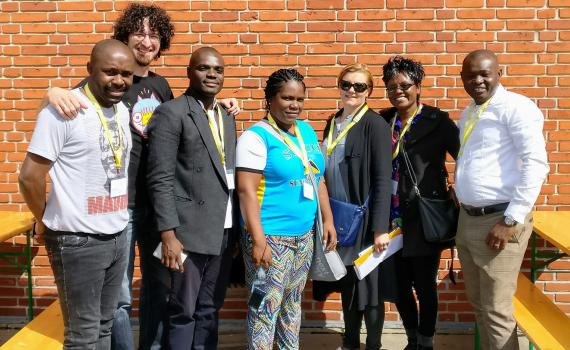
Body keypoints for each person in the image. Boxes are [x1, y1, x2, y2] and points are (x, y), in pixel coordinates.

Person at [42, 4, 239, 349]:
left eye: (154, 34)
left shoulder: (161, 86)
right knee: (117, 297)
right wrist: (52, 91)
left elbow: (188, 124)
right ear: (124, 35)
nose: (147, 41)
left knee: (160, 289)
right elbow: (72, 98)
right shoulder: (112, 77)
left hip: (155, 205)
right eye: (140, 32)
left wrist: (223, 107)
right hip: (118, 204)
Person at [18, 39, 134, 349]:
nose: (119, 80)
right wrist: (46, 218)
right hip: (77, 241)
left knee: (105, 327)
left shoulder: (122, 109)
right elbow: (30, 177)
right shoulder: (63, 112)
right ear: (90, 70)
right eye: (110, 71)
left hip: (118, 233)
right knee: (82, 336)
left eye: (126, 73)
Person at [236, 68, 336, 349]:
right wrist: (258, 241)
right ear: (270, 99)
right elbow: (246, 192)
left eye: (300, 99)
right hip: (271, 239)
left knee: (292, 309)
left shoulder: (304, 131)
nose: (294, 105)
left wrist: (327, 218)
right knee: (264, 309)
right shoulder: (255, 138)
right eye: (287, 98)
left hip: (303, 236)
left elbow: (316, 177)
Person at [455, 49, 549, 350]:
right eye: (471, 76)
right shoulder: (470, 111)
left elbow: (536, 164)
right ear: (462, 79)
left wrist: (511, 220)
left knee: (496, 310)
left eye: (485, 73)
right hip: (468, 219)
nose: (478, 81)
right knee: (480, 304)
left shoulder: (516, 108)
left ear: (499, 73)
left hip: (498, 221)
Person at [146, 47, 237, 350]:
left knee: (210, 309)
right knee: (183, 310)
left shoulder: (226, 116)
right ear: (189, 71)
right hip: (187, 231)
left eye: (218, 69)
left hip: (222, 229)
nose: (212, 74)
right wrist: (168, 233)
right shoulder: (170, 113)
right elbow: (159, 178)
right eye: (203, 68)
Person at [379, 56, 460, 350]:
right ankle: (412, 339)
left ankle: (426, 342)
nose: (397, 91)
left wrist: (458, 189)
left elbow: (465, 157)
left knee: (425, 286)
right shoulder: (382, 120)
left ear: (417, 86)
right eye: (391, 87)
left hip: (423, 217)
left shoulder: (437, 121)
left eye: (404, 85)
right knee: (399, 287)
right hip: (390, 218)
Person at [313, 63, 395, 350]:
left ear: (369, 91)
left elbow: (383, 179)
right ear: (339, 86)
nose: (351, 90)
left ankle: (373, 345)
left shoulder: (376, 125)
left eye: (359, 86)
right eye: (346, 84)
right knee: (347, 283)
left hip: (364, 221)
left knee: (369, 288)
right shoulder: (333, 120)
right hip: (336, 217)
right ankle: (350, 342)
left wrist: (380, 229)